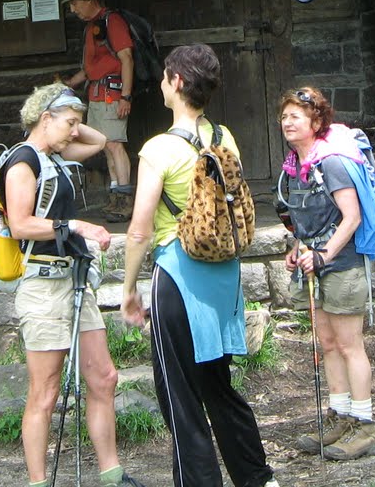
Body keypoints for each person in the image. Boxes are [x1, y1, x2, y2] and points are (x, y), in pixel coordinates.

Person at [120, 44, 281, 487]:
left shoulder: (158, 149)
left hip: (179, 274)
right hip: (223, 277)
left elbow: (139, 230)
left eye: (165, 76)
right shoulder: (224, 138)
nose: (161, 84)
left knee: (180, 395)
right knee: (218, 385)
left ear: (175, 83)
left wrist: (129, 288)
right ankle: (256, 479)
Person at [5, 84, 146, 487]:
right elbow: (20, 224)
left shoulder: (55, 154)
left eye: (76, 124)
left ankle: (112, 473)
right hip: (44, 286)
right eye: (69, 123)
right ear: (44, 119)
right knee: (46, 391)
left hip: (76, 281)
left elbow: (101, 141)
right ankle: (37, 481)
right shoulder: (22, 162)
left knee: (103, 377)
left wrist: (72, 121)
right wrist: (77, 225)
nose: (75, 132)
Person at [276, 86, 375, 461]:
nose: (288, 122)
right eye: (285, 116)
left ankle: (365, 427)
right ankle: (340, 417)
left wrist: (322, 256)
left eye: (296, 116)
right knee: (329, 344)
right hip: (316, 266)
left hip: (344, 265)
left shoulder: (331, 163)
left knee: (350, 345)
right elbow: (306, 223)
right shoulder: (295, 166)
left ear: (316, 122)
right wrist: (297, 252)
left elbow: (351, 218)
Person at [61, 0, 136, 220]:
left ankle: (125, 200)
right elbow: (91, 68)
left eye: (74, 3)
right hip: (96, 95)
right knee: (106, 146)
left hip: (112, 94)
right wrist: (69, 83)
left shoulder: (111, 21)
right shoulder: (91, 27)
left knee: (114, 145)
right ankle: (115, 197)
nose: (72, 9)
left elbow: (126, 58)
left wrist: (125, 96)